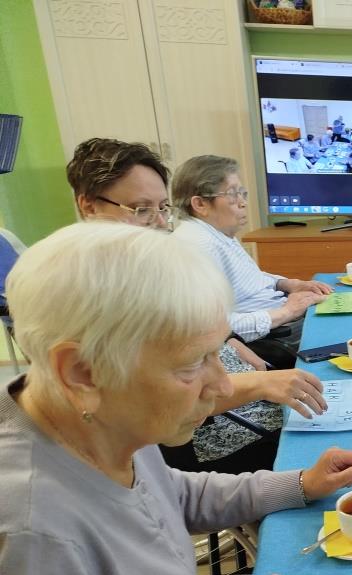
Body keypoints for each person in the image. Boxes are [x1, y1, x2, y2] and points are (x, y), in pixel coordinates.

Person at [0, 221, 352, 575]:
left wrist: (297, 483)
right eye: (191, 364)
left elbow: (167, 493)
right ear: (81, 371)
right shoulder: (35, 537)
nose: (223, 387)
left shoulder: (89, 421)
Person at [64, 138, 328, 473]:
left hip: (236, 396)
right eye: (141, 209)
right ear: (88, 206)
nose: (159, 223)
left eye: (162, 208)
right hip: (209, 432)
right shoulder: (94, 290)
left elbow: (191, 332)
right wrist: (258, 384)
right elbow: (147, 398)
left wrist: (228, 343)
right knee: (334, 432)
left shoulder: (145, 267)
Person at [171, 154, 333, 368]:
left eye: (242, 193)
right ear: (200, 203)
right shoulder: (197, 246)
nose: (243, 202)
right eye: (233, 194)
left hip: (281, 320)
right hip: (273, 337)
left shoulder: (216, 233)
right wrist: (287, 312)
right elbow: (212, 329)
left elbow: (249, 279)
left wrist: (287, 283)